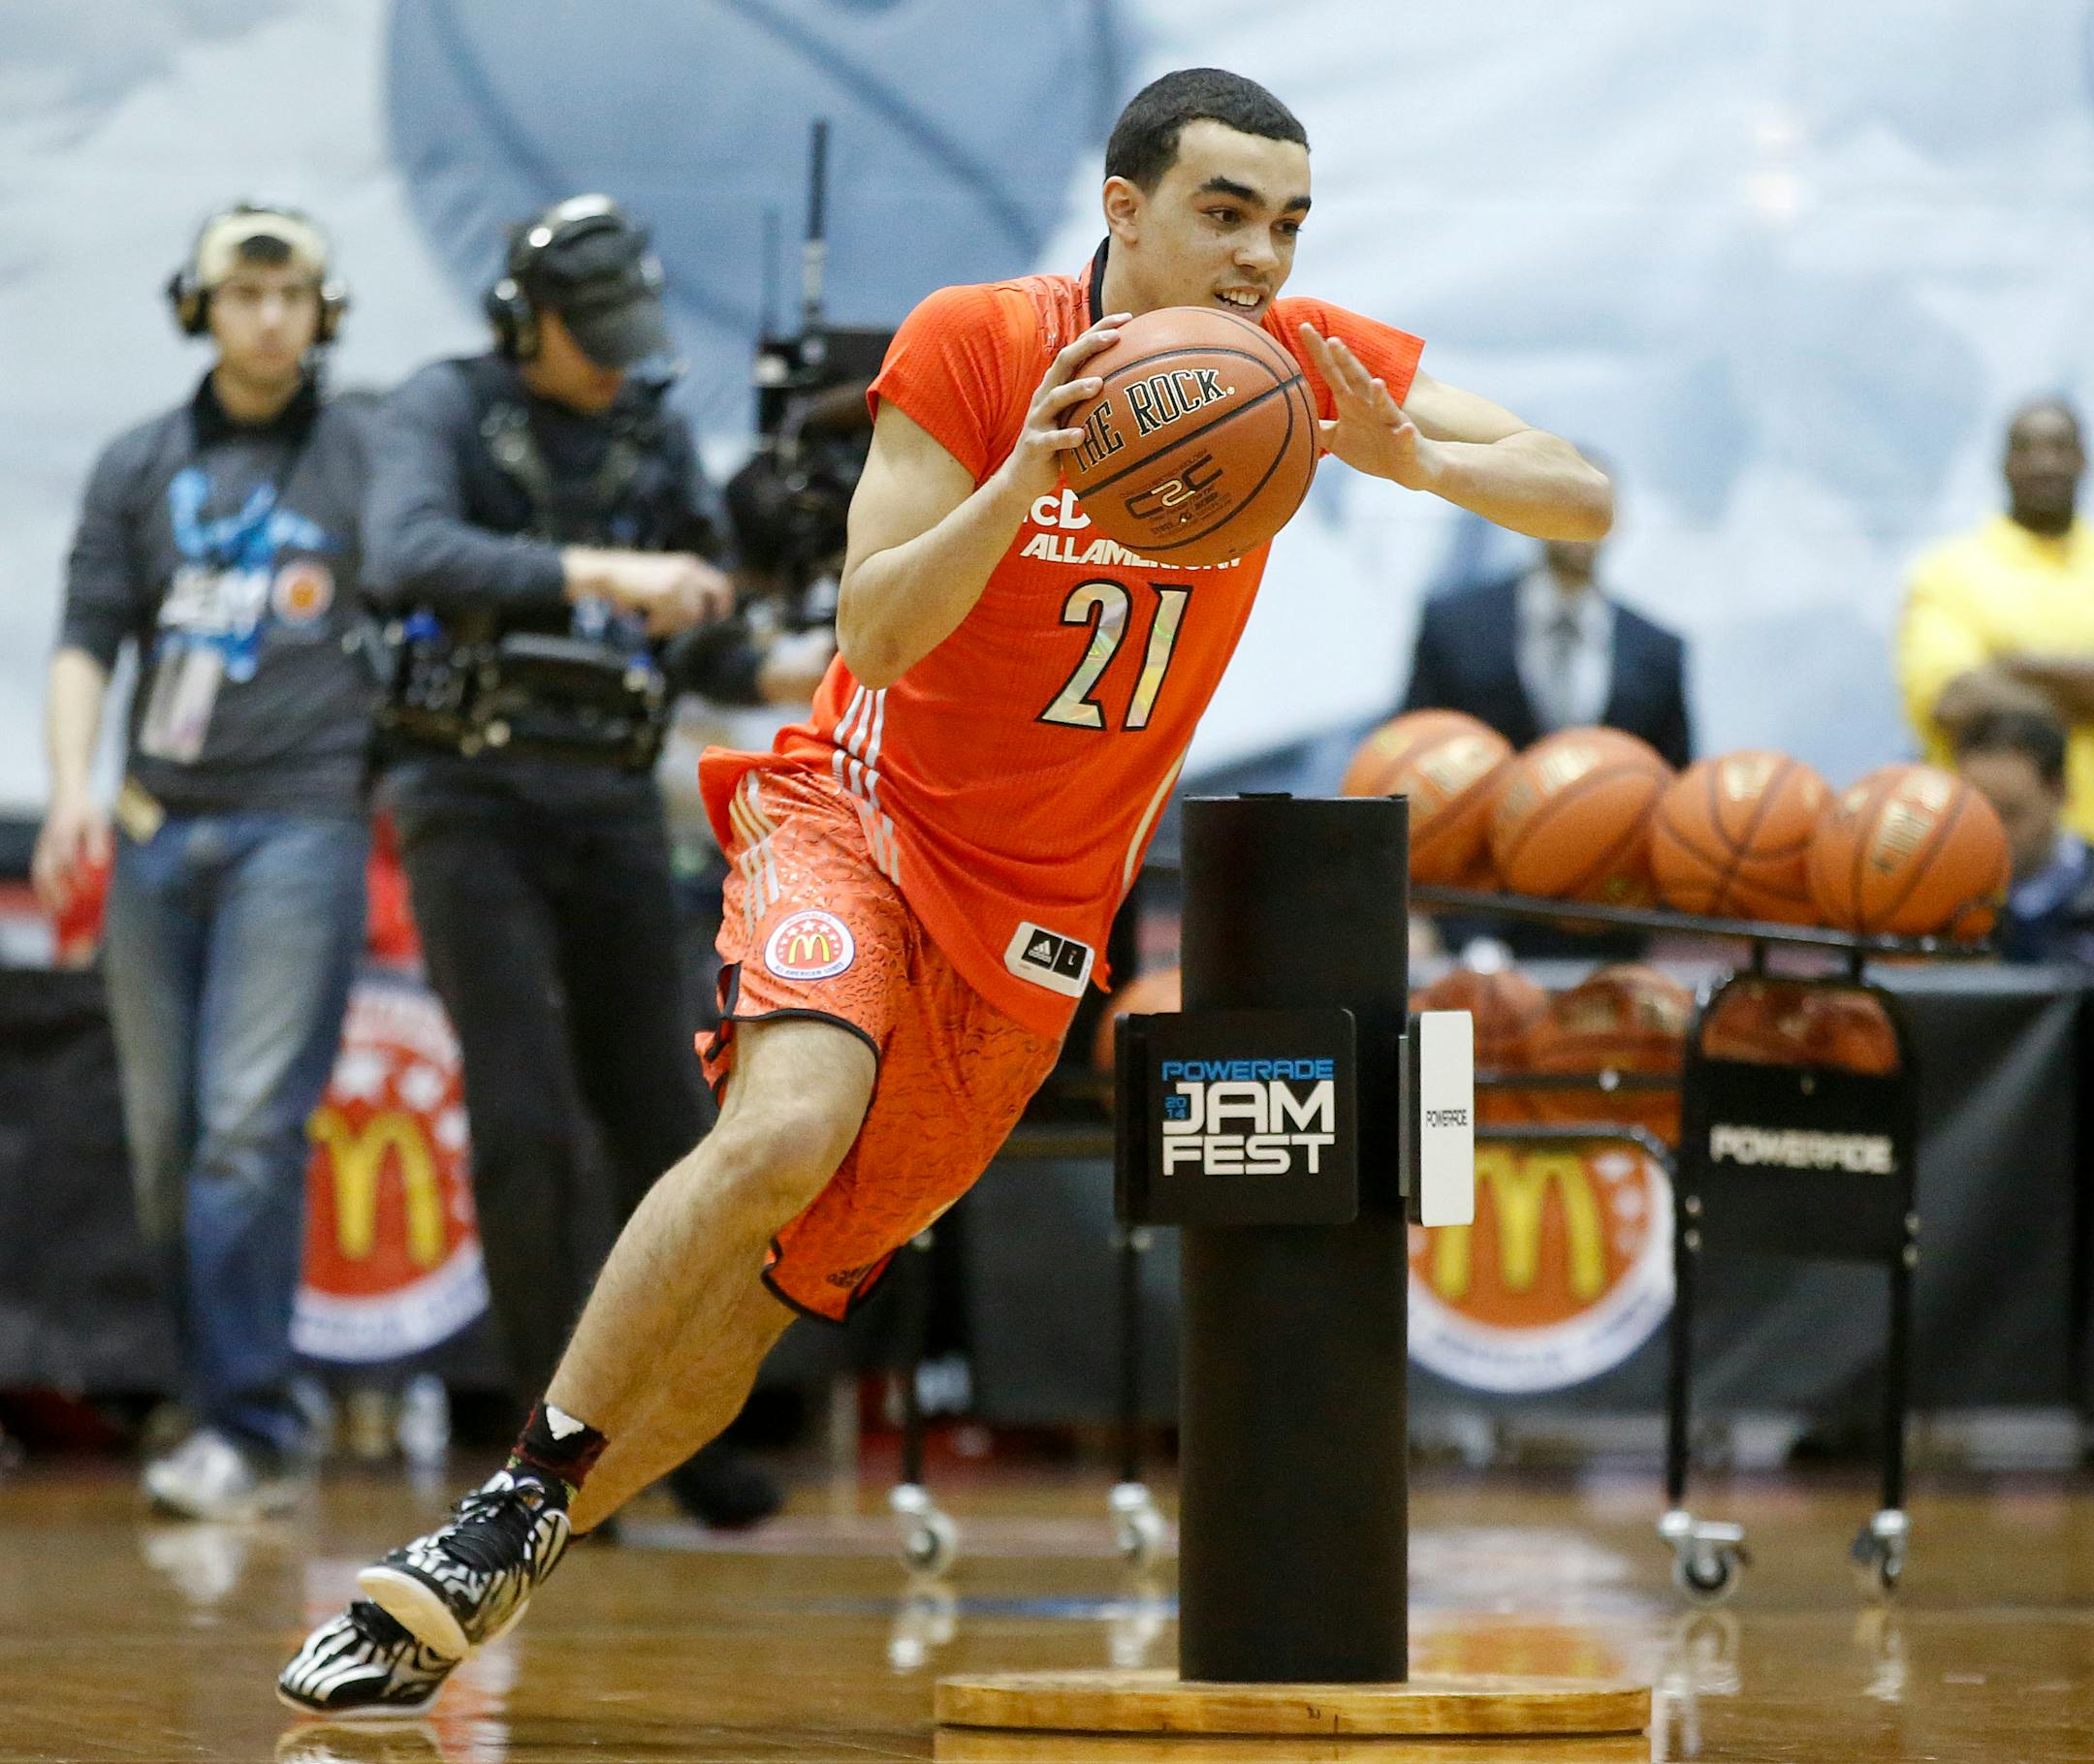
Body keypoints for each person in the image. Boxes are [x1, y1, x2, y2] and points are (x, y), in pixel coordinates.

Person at [279, 68, 1609, 1717]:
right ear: (1124, 209)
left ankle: (506, 1554)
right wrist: (1020, 485)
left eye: (1285, 223)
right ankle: (516, 1491)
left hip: (1036, 932)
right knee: (785, 1132)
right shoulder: (979, 338)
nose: (1260, 255)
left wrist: (1415, 460)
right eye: (1224, 213)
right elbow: (876, 630)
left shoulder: (1294, 365)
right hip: (865, 819)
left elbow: (1578, 488)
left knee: (776, 1294)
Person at [357, 194, 813, 1537]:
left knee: (664, 1117)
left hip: (610, 796)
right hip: (468, 791)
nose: (615, 363)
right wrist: (606, 570)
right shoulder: (443, 407)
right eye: (590, 335)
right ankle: (543, 1462)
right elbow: (404, 551)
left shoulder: (648, 426)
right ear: (524, 319)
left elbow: (701, 630)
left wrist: (799, 663)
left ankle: (672, 1433)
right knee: (525, 1121)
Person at [34, 204, 371, 1521]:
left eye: (292, 295)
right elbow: (86, 636)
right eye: (245, 294)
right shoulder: (138, 462)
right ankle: (222, 1399)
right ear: (202, 307)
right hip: (151, 826)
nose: (270, 317)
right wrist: (71, 788)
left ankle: (250, 1425)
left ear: (323, 312)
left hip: (303, 821)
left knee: (245, 1130)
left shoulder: (363, 450)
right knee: (166, 1142)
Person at [1900, 397, 2094, 838]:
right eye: (2026, 449)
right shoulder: (1947, 573)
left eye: (2060, 447)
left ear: (2083, 460)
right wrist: (2082, 692)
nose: (2044, 463)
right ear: (2003, 465)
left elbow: (1980, 690)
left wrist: (2010, 670)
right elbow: (1952, 702)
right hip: (1980, 851)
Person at [1401, 513, 1690, 770]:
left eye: (1595, 509)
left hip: (1612, 811)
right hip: (1481, 810)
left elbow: (1674, 775)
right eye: (1569, 505)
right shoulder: (1455, 625)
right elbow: (1415, 746)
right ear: (1535, 512)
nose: (1581, 523)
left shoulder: (1658, 649)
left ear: (1617, 523)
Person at [1953, 708, 2094, 965]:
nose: (1993, 835)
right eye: (1977, 816)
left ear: (2059, 793)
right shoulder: (1939, 896)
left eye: (2010, 813)